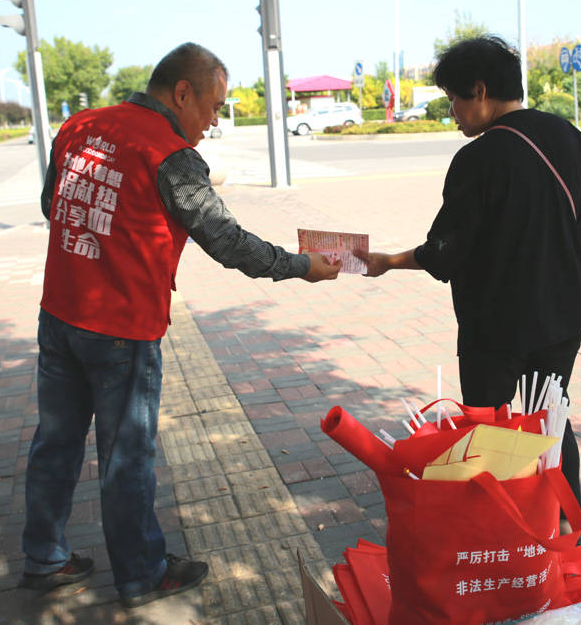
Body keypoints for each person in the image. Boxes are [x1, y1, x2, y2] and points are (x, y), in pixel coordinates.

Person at [21, 42, 341, 608]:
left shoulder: (79, 126)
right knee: (127, 455)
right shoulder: (170, 152)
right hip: (122, 328)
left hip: (60, 314)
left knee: (56, 441)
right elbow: (227, 242)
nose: (215, 120)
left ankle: (45, 556)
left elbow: (54, 206)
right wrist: (302, 268)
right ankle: (142, 573)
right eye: (214, 106)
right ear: (183, 92)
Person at [356, 35, 581, 518]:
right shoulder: (568, 136)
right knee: (549, 420)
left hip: (496, 322)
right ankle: (564, 530)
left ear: (479, 90)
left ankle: (498, 533)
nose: (452, 110)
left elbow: (446, 253)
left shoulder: (479, 158)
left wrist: (390, 261)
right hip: (566, 309)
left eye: (453, 98)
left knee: (487, 426)